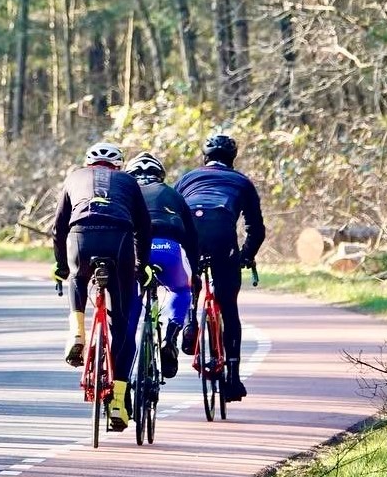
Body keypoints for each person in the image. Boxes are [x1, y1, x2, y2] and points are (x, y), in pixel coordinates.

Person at [52, 141, 152, 432]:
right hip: (118, 239)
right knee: (120, 324)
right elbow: (144, 227)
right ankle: (118, 402)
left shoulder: (73, 177)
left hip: (80, 236)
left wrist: (61, 264)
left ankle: (77, 334)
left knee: (77, 278)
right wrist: (140, 265)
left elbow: (59, 228)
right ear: (118, 165)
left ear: (88, 162)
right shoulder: (128, 181)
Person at [175, 133, 265, 403]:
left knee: (190, 281)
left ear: (204, 157)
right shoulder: (242, 182)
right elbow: (256, 229)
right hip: (222, 233)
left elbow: (172, 210)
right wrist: (245, 256)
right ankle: (233, 379)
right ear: (233, 159)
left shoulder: (187, 178)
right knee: (228, 306)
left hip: (189, 229)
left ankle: (190, 320)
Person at [123, 151, 199, 379]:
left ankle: (122, 379)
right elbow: (192, 238)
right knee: (181, 289)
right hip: (169, 249)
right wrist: (193, 274)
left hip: (134, 252)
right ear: (160, 175)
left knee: (128, 312)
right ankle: (170, 339)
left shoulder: (126, 193)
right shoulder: (172, 194)